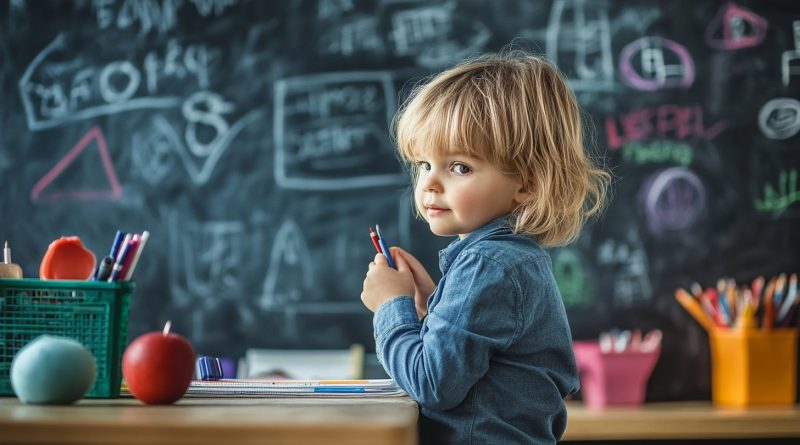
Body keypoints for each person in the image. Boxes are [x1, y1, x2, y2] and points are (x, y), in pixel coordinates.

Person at [360, 50, 610, 445]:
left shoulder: (487, 264)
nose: (429, 184)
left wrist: (391, 307)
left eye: (459, 167)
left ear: (526, 184)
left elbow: (431, 383)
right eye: (425, 163)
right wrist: (429, 309)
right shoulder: (511, 258)